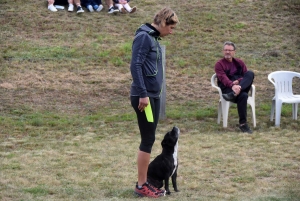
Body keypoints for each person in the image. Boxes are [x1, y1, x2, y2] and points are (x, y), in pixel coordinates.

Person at [130, 7, 179, 198]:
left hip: (152, 95)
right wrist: (143, 94)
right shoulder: (144, 37)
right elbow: (135, 65)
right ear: (164, 22)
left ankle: (145, 183)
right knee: (148, 140)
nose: (171, 32)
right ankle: (142, 185)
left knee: (149, 139)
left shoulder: (153, 38)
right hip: (145, 97)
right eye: (171, 27)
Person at [214, 41, 255, 134]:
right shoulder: (219, 64)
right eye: (225, 50)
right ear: (223, 51)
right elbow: (223, 78)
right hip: (227, 90)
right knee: (244, 96)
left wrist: (239, 82)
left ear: (234, 52)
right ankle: (243, 124)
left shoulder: (240, 62)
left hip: (239, 88)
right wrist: (232, 85)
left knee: (250, 73)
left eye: (230, 50)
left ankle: (236, 92)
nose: (227, 52)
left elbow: (246, 76)